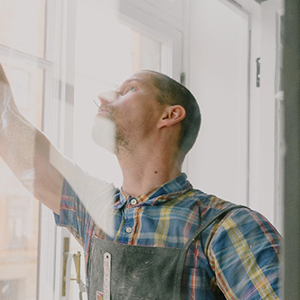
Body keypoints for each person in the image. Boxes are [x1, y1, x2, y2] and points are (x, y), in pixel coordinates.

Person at [0, 63, 281, 299]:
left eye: (129, 90)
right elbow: (8, 126)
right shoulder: (96, 210)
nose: (103, 96)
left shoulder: (227, 227)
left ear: (169, 115)